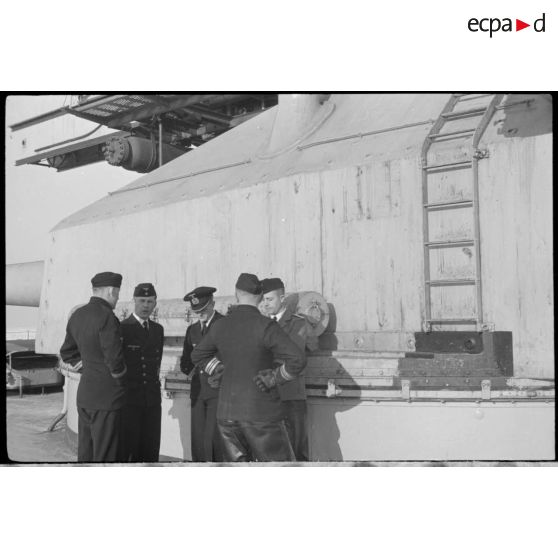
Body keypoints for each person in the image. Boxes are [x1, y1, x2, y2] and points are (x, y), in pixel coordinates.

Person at [191, 272, 307, 462]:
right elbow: (298, 359)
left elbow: (197, 355)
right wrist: (275, 377)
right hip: (262, 415)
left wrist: (217, 368)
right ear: (260, 297)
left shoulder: (221, 325)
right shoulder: (265, 326)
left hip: (227, 416)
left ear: (236, 295)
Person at [60, 271, 127, 462]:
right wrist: (121, 379)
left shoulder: (78, 315)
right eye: (118, 293)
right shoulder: (107, 317)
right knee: (105, 456)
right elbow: (115, 362)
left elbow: (67, 352)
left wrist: (87, 367)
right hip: (107, 399)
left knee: (86, 453)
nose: (117, 297)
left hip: (85, 397)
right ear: (111, 291)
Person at [261, 278, 317, 461]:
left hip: (291, 395)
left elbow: (297, 355)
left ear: (282, 298)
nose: (265, 304)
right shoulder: (261, 323)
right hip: (267, 396)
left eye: (270, 299)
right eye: (263, 300)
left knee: (297, 449)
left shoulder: (298, 324)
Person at [119, 283, 164, 462]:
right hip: (130, 401)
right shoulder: (123, 328)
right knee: (129, 450)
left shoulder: (157, 330)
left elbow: (157, 362)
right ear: (134, 301)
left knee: (151, 448)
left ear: (155, 303)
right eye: (142, 300)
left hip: (152, 400)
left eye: (150, 301)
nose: (146, 305)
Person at [180, 286, 225, 462]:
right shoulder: (192, 330)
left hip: (218, 390)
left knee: (214, 440)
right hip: (198, 392)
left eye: (204, 309)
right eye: (196, 310)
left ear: (213, 303)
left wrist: (215, 368)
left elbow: (232, 356)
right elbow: (186, 362)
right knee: (198, 441)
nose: (200, 313)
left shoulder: (224, 324)